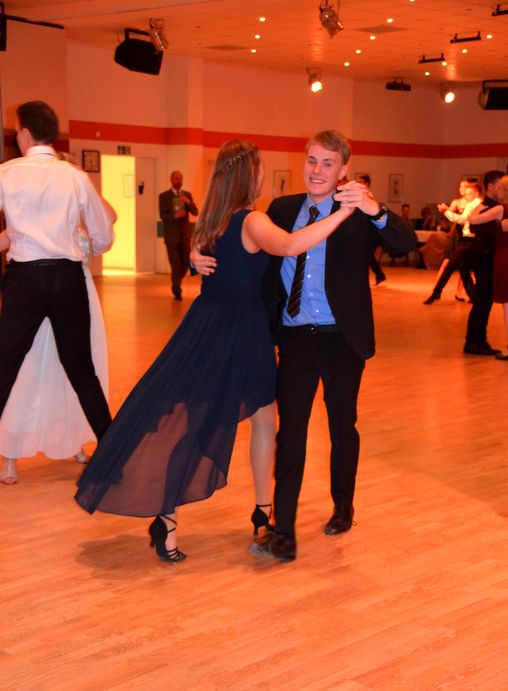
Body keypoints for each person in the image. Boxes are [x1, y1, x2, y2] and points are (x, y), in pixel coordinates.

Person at [75, 139, 356, 564]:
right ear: (249, 174)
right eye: (259, 167)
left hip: (211, 328)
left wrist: (194, 257)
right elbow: (290, 246)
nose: (263, 173)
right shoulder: (252, 220)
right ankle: (221, 513)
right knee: (238, 423)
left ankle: (219, 516)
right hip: (239, 331)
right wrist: (343, 212)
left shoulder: (212, 218)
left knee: (246, 420)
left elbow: (214, 259)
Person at [195, 130, 417, 562]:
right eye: (312, 161)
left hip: (342, 339)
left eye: (327, 163)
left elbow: (405, 243)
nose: (317, 171)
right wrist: (196, 258)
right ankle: (284, 531)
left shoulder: (358, 212)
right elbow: (245, 256)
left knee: (341, 426)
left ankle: (343, 505)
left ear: (344, 170)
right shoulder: (282, 210)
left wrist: (374, 208)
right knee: (291, 431)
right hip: (294, 337)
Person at [0, 101, 115, 484]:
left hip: (24, 281)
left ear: (24, 133)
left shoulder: (7, 173)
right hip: (67, 280)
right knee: (81, 370)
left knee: (5, 367)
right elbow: (103, 234)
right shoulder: (74, 177)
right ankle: (113, 456)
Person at [462, 170, 505, 355]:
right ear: (490, 187)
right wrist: (498, 226)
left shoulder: (493, 206)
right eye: (500, 187)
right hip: (484, 257)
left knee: (484, 300)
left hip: (488, 256)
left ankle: (478, 341)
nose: (503, 190)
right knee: (483, 300)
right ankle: (474, 342)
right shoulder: (486, 206)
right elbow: (474, 226)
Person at [422, 182, 482, 305]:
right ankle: (475, 296)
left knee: (450, 267)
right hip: (476, 241)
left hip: (467, 241)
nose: (466, 196)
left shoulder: (471, 205)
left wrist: (445, 211)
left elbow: (461, 219)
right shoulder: (483, 204)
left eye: (469, 193)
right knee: (465, 270)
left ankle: (436, 293)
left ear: (476, 193)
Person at [159, 171, 199, 300]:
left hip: (184, 236)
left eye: (180, 179)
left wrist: (188, 202)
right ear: (171, 180)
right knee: (175, 265)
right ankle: (177, 289)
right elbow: (163, 216)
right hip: (171, 237)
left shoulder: (186, 195)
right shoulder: (164, 196)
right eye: (176, 179)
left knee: (186, 263)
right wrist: (175, 216)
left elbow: (195, 212)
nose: (179, 181)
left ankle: (175, 280)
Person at [356, 174, 387, 285]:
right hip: (364, 230)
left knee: (366, 256)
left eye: (360, 182)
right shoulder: (363, 195)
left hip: (369, 231)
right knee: (368, 256)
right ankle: (380, 275)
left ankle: (377, 276)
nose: (357, 183)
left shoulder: (368, 196)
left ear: (366, 184)